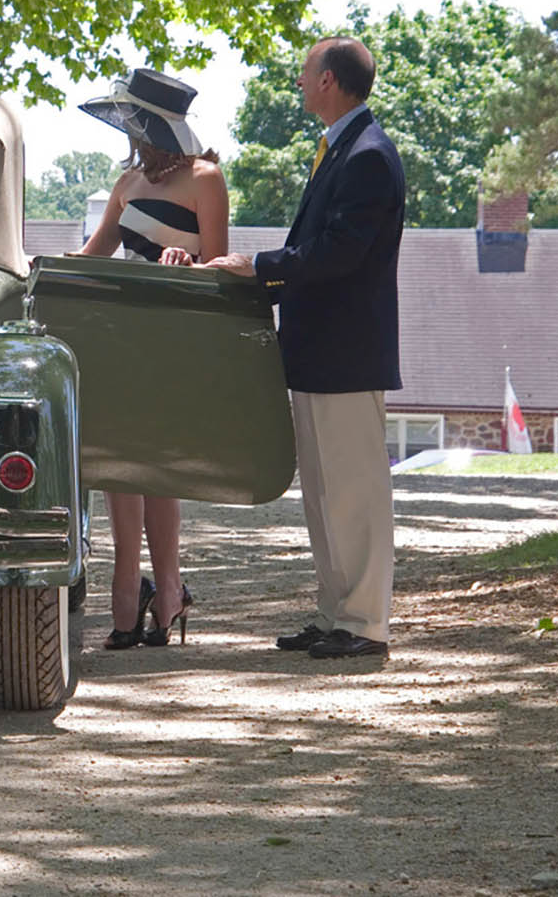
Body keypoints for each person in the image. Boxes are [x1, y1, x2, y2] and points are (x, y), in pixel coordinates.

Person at [205, 36, 405, 661]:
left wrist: (260, 266)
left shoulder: (368, 155)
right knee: (321, 493)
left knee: (354, 491)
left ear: (330, 81)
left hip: (348, 352)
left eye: (305, 71)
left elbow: (341, 252)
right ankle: (336, 613)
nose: (297, 81)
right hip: (320, 350)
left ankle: (367, 622)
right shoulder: (339, 148)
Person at [76, 68, 230, 649]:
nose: (128, 129)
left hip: (173, 335)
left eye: (135, 118)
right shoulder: (126, 184)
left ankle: (165, 589)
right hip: (122, 335)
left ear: (157, 121)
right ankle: (127, 586)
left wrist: (189, 265)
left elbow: (221, 265)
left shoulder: (206, 179)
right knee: (121, 460)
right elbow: (92, 257)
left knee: (158, 465)